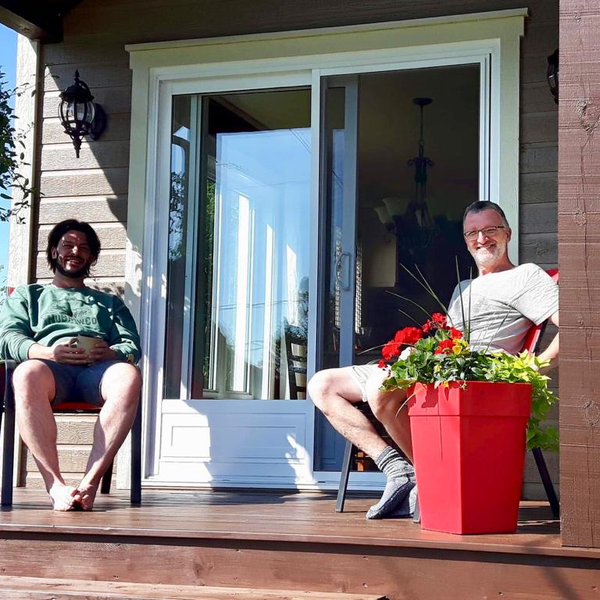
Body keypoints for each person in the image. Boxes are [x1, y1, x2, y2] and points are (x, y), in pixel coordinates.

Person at [308, 201, 559, 519]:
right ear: (466, 240)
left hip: (471, 375)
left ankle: (432, 479)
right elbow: (450, 340)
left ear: (507, 234)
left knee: (382, 388)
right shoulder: (463, 287)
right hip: (439, 365)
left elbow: (575, 327)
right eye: (473, 232)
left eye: (490, 229)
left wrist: (532, 369)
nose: (482, 238)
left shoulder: (526, 276)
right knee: (322, 384)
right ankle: (398, 470)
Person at [0, 219, 142, 511]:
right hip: (51, 371)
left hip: (97, 372)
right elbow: (7, 338)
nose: (75, 251)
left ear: (91, 257)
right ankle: (55, 485)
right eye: (68, 245)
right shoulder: (28, 296)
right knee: (26, 372)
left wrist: (111, 353)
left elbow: (132, 347)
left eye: (84, 248)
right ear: (54, 251)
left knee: (129, 375)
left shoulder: (109, 303)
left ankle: (89, 484)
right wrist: (48, 353)